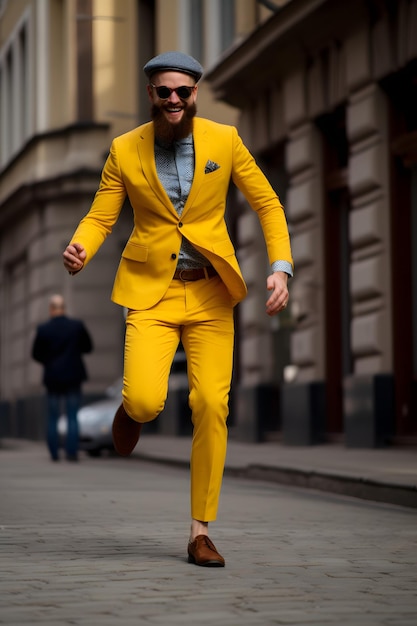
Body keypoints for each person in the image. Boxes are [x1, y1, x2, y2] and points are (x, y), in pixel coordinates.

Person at [62, 51, 293, 566]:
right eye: (163, 91)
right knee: (146, 401)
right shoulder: (125, 149)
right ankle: (132, 410)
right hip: (152, 290)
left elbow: (267, 203)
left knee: (211, 404)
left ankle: (199, 531)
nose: (173, 100)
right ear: (150, 94)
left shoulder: (224, 140)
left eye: (182, 92)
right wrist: (80, 246)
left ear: (194, 95)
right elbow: (102, 215)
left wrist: (280, 266)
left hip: (212, 292)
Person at [32, 294, 93, 462]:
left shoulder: (43, 329)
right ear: (64, 308)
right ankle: (71, 452)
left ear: (51, 309)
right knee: (72, 416)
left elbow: (35, 354)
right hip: (73, 375)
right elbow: (88, 347)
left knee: (53, 417)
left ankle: (54, 453)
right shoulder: (76, 326)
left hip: (52, 377)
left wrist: (49, 361)